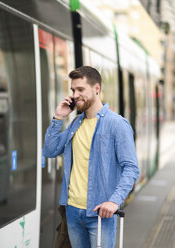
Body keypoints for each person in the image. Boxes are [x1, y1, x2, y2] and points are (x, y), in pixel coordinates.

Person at [43, 66, 139, 248]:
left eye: (81, 89)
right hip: (72, 211)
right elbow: (50, 150)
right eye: (73, 90)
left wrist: (114, 201)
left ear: (96, 89)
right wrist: (58, 118)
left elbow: (131, 168)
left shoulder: (117, 124)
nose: (75, 95)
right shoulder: (75, 123)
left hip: (100, 214)